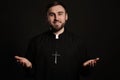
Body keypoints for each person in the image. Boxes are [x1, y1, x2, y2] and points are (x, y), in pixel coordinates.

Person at [15, 0, 100, 80]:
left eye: (60, 14)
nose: (56, 18)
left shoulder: (78, 42)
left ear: (66, 16)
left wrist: (86, 67)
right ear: (47, 18)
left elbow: (84, 74)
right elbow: (30, 74)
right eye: (52, 14)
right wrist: (29, 66)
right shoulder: (35, 42)